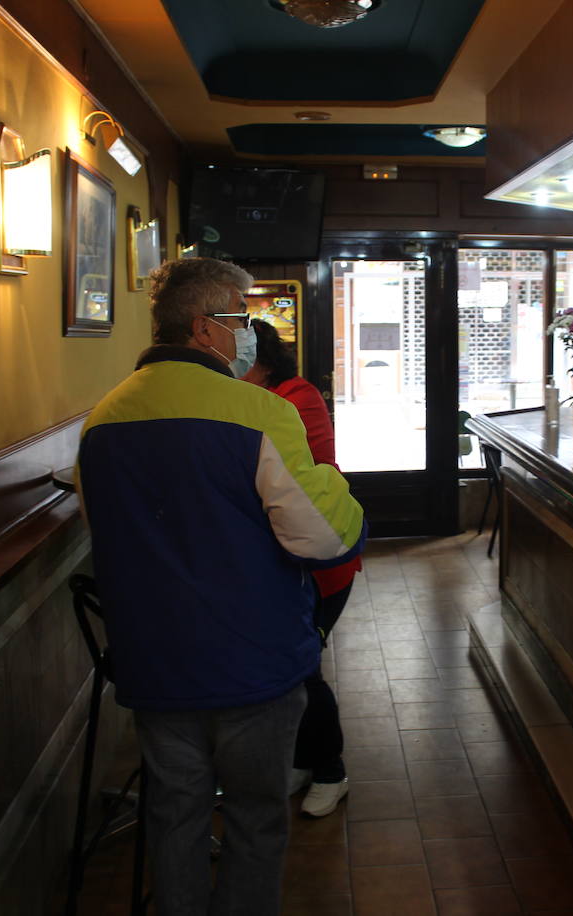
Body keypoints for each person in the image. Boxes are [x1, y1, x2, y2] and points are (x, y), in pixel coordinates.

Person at [76, 258, 366, 916]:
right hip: (250, 665)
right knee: (255, 821)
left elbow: (106, 535)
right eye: (241, 317)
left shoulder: (102, 420)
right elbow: (322, 537)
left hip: (154, 665)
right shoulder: (257, 412)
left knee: (174, 818)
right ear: (205, 328)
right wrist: (341, 489)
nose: (249, 332)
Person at [244, 319, 360, 818]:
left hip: (320, 563)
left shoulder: (297, 397)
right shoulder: (252, 400)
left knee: (303, 668)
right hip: (280, 563)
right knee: (291, 669)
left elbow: (301, 478)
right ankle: (302, 760)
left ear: (263, 362)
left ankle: (331, 771)